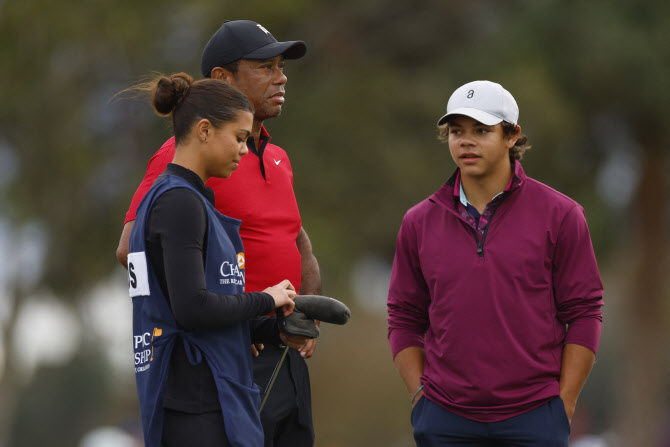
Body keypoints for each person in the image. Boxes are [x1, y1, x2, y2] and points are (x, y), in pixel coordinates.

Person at [116, 20, 321, 447]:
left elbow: (293, 237)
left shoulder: (279, 156)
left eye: (281, 66)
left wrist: (305, 312)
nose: (281, 77)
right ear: (222, 79)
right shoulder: (185, 155)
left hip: (284, 350)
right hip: (228, 359)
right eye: (265, 67)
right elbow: (133, 248)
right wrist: (225, 326)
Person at [387, 80, 604, 446]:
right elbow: (404, 316)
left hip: (534, 416)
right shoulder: (418, 222)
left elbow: (584, 311)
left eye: (482, 131)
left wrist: (563, 404)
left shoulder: (561, 214)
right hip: (445, 418)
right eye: (457, 131)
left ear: (512, 136)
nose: (466, 141)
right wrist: (420, 399)